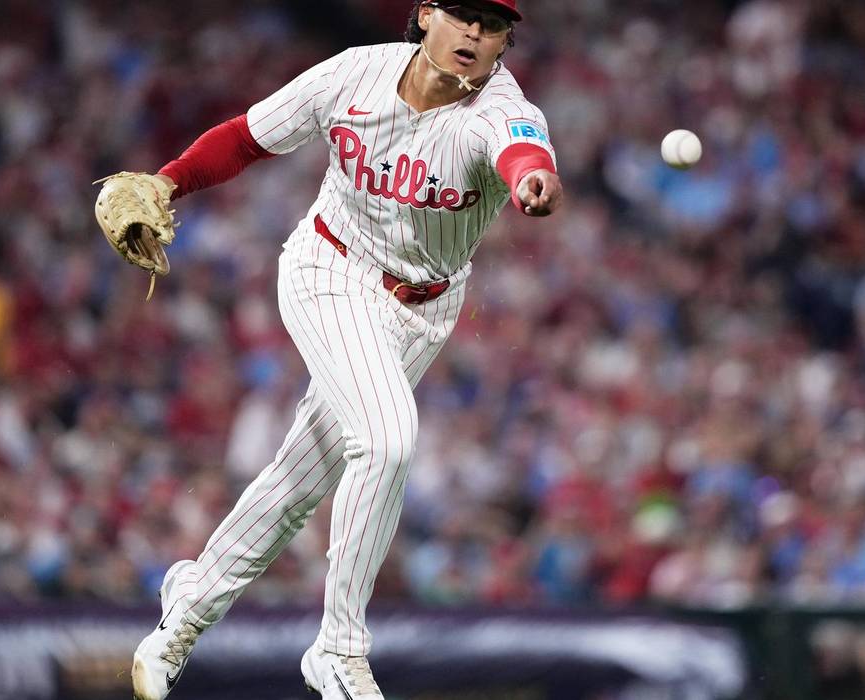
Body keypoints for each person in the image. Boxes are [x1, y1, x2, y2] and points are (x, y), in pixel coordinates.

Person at [129, 2, 562, 698]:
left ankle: (190, 604)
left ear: (507, 41)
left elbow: (523, 155)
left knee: (304, 480)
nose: (474, 33)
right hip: (328, 269)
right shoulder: (354, 72)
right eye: (462, 14)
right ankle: (338, 649)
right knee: (387, 441)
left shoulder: (501, 110)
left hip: (423, 308)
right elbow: (246, 138)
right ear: (425, 15)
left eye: (493, 23)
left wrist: (530, 181)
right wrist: (166, 181)